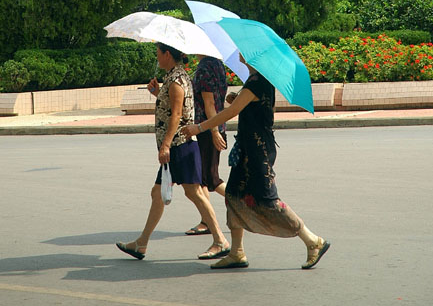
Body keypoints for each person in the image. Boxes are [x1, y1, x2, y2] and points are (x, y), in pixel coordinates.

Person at [181, 55, 330, 270]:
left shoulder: (256, 82)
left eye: (243, 50)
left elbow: (230, 113)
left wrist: (201, 127)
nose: (240, 53)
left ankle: (312, 240)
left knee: (268, 200)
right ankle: (237, 252)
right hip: (249, 149)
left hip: (257, 152)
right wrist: (239, 99)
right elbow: (256, 109)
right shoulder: (259, 82)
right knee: (233, 195)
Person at [116, 42, 230, 261]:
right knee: (157, 193)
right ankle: (141, 243)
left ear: (168, 54)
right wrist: (158, 92)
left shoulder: (177, 79)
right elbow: (172, 105)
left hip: (180, 145)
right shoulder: (175, 77)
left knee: (194, 192)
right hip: (178, 144)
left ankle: (220, 240)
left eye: (158, 53)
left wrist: (166, 145)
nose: (157, 57)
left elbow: (177, 114)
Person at [185, 55, 228, 236]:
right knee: (203, 178)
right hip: (213, 126)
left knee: (211, 179)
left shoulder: (203, 68)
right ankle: (206, 220)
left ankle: (245, 202)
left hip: (206, 129)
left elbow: (209, 102)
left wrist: (214, 132)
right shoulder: (218, 64)